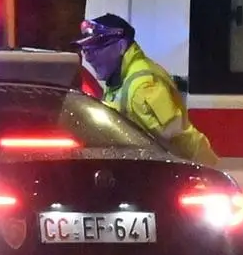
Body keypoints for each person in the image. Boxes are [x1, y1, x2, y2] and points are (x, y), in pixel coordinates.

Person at [75, 13, 217, 163]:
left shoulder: (142, 87)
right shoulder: (117, 81)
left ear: (121, 46)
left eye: (95, 48)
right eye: (86, 50)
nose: (89, 57)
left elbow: (182, 140)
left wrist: (212, 173)